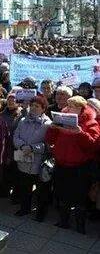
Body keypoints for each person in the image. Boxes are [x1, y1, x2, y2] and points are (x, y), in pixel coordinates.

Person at [45, 96, 100, 234]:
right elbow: (50, 139)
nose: (70, 109)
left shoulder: (90, 123)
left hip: (79, 167)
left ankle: (80, 226)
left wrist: (80, 133)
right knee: (62, 194)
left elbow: (93, 145)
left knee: (79, 198)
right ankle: (63, 222)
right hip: (62, 164)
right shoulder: (62, 119)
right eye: (69, 106)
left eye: (74, 106)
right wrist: (52, 128)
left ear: (81, 108)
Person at [13, 96, 52, 221]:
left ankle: (40, 214)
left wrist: (33, 148)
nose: (34, 108)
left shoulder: (48, 124)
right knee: (25, 187)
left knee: (41, 191)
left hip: (38, 162)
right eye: (32, 105)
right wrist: (22, 146)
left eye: (37, 106)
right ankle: (24, 209)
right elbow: (15, 137)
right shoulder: (23, 120)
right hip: (24, 160)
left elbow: (48, 145)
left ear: (43, 109)